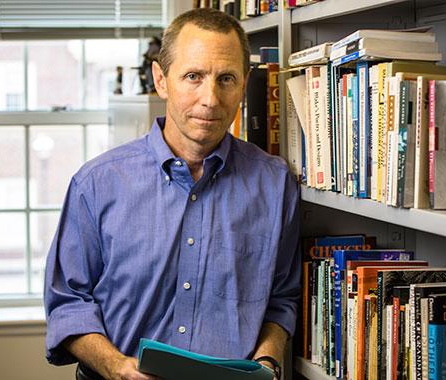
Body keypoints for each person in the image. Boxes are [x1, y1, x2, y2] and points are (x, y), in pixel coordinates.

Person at [44, 7, 301, 380]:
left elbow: (281, 300)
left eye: (226, 79)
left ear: (244, 84)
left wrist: (267, 362)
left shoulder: (275, 184)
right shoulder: (96, 183)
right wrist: (117, 368)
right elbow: (67, 304)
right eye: (193, 76)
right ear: (161, 79)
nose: (210, 99)